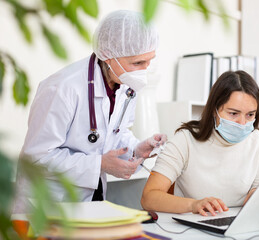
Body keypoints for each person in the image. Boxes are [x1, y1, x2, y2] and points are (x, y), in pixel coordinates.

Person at [13, 10, 166, 213]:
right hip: (48, 204)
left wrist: (137, 148)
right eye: (138, 63)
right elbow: (37, 158)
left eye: (149, 61)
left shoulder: (126, 85)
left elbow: (115, 132)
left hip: (90, 202)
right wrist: (99, 164)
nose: (144, 70)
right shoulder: (63, 88)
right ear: (109, 56)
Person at [141, 70, 259, 216]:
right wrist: (194, 204)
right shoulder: (185, 140)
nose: (242, 123)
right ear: (214, 110)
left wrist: (257, 196)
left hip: (237, 224)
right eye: (233, 113)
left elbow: (258, 189)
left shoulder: (257, 141)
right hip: (193, 224)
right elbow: (148, 197)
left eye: (250, 114)